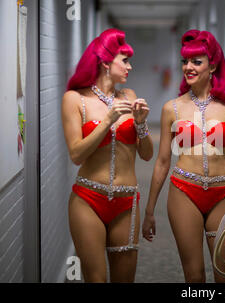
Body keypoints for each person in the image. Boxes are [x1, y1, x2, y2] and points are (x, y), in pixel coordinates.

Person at [142, 29, 225, 283]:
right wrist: (149, 210)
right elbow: (162, 162)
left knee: (224, 272)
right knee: (194, 275)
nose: (188, 67)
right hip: (184, 192)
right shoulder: (171, 108)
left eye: (196, 61)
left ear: (212, 66)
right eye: (185, 61)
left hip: (223, 192)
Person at [61, 28, 153, 282]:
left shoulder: (130, 97)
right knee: (96, 278)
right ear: (104, 61)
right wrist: (108, 119)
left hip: (126, 201)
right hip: (88, 199)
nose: (130, 67)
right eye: (125, 60)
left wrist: (141, 124)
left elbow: (146, 154)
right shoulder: (75, 99)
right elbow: (76, 154)